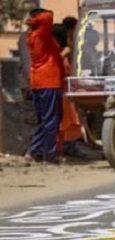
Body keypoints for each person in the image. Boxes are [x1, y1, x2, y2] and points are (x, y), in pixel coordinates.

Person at [25, 8, 64, 164]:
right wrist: (36, 18)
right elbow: (47, 17)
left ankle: (35, 151)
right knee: (50, 120)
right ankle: (50, 155)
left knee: (44, 120)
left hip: (38, 82)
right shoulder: (41, 34)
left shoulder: (32, 36)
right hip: (49, 81)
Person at [53, 17, 84, 159]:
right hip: (59, 88)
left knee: (70, 119)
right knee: (62, 120)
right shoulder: (58, 51)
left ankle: (69, 146)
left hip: (67, 88)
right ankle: (62, 148)